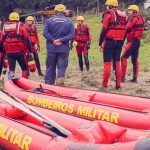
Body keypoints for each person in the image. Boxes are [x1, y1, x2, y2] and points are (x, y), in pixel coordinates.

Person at [43, 4, 75, 85]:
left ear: (55, 11)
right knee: (61, 67)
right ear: (64, 12)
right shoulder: (69, 21)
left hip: (51, 48)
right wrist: (61, 40)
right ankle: (60, 85)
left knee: (50, 67)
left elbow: (45, 33)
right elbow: (72, 35)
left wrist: (54, 40)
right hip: (63, 48)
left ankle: (49, 85)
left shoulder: (49, 20)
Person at [99, 0, 126, 91]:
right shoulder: (123, 15)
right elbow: (125, 30)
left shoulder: (109, 14)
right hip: (119, 42)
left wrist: (100, 43)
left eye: (107, 5)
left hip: (110, 41)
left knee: (107, 63)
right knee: (117, 63)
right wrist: (122, 42)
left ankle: (104, 86)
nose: (106, 7)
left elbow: (104, 29)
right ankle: (118, 86)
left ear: (110, 6)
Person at [2, 12, 32, 78]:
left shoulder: (4, 27)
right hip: (20, 52)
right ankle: (25, 83)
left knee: (11, 70)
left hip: (9, 52)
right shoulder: (20, 26)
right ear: (18, 18)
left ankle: (11, 84)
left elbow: (2, 40)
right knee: (24, 68)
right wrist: (30, 51)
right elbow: (27, 40)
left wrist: (4, 52)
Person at [121, 5, 145, 83]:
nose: (128, 11)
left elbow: (127, 28)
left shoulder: (133, 17)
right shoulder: (139, 17)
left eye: (130, 10)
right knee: (134, 60)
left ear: (134, 11)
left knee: (123, 58)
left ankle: (122, 78)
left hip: (132, 41)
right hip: (137, 41)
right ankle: (135, 78)